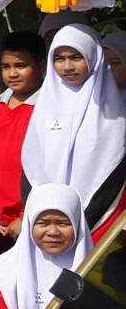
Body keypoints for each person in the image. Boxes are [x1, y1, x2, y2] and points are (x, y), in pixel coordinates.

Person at [22, 25, 126, 227]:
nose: (67, 66)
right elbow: (31, 162)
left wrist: (82, 220)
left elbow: (113, 163)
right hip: (46, 218)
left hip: (98, 215)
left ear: (94, 57)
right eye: (59, 58)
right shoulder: (45, 105)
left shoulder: (113, 110)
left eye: (76, 57)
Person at [0, 30, 45, 241]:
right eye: (6, 67)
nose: (12, 74)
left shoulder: (47, 108)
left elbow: (49, 169)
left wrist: (27, 215)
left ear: (41, 66)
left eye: (21, 66)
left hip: (32, 217)